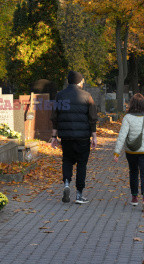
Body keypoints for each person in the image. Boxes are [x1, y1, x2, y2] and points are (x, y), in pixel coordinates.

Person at [50, 71, 98, 204]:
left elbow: (55, 117)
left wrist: (54, 136)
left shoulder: (60, 96)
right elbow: (92, 118)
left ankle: (66, 184)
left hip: (66, 136)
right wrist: (94, 136)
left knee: (67, 160)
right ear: (79, 81)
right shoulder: (87, 96)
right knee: (82, 164)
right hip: (83, 137)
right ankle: (79, 194)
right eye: (82, 80)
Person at [113, 93, 144, 211]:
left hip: (131, 151)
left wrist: (117, 152)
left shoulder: (127, 118)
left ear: (131, 105)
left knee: (133, 171)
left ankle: (134, 197)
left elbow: (122, 135)